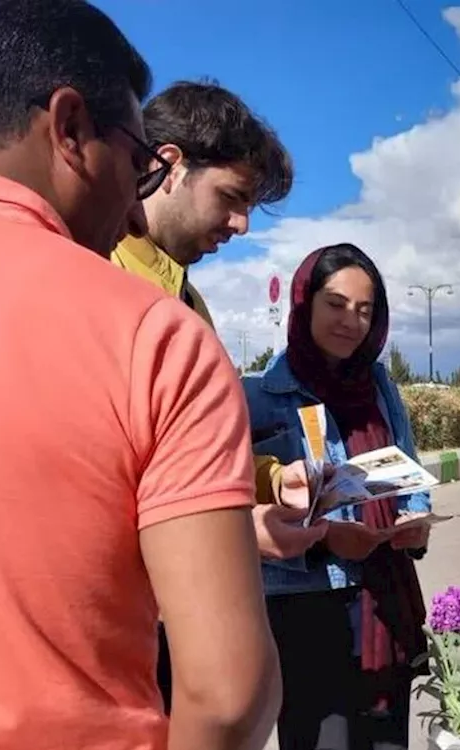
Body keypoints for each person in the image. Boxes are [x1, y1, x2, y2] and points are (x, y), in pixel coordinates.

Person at [0, 1, 280, 750]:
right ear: (68, 128)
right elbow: (225, 694)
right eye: (139, 157)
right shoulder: (146, 335)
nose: (136, 189)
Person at [242, 244, 432, 750]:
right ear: (302, 305)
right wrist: (327, 539)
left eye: (365, 309)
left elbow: (406, 472)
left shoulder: (380, 388)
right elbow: (247, 513)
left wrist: (410, 523)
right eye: (335, 306)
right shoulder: (265, 396)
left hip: (385, 609)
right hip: (311, 618)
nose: (351, 322)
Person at [112, 80, 322, 563]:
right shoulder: (94, 273)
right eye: (231, 197)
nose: (241, 225)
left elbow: (192, 449)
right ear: (168, 165)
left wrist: (272, 479)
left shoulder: (189, 302)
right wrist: (230, 535)